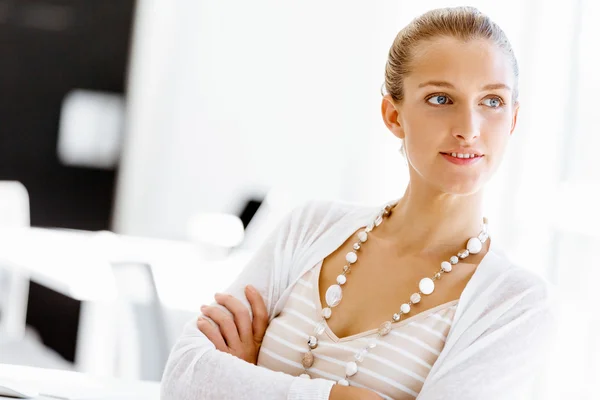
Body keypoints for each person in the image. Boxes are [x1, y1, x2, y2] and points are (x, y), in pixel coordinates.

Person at [160, 6, 556, 400]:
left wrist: (247, 378)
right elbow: (184, 378)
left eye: (491, 102)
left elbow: (210, 387)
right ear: (393, 115)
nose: (469, 129)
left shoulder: (513, 303)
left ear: (513, 120)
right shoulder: (310, 228)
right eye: (440, 98)